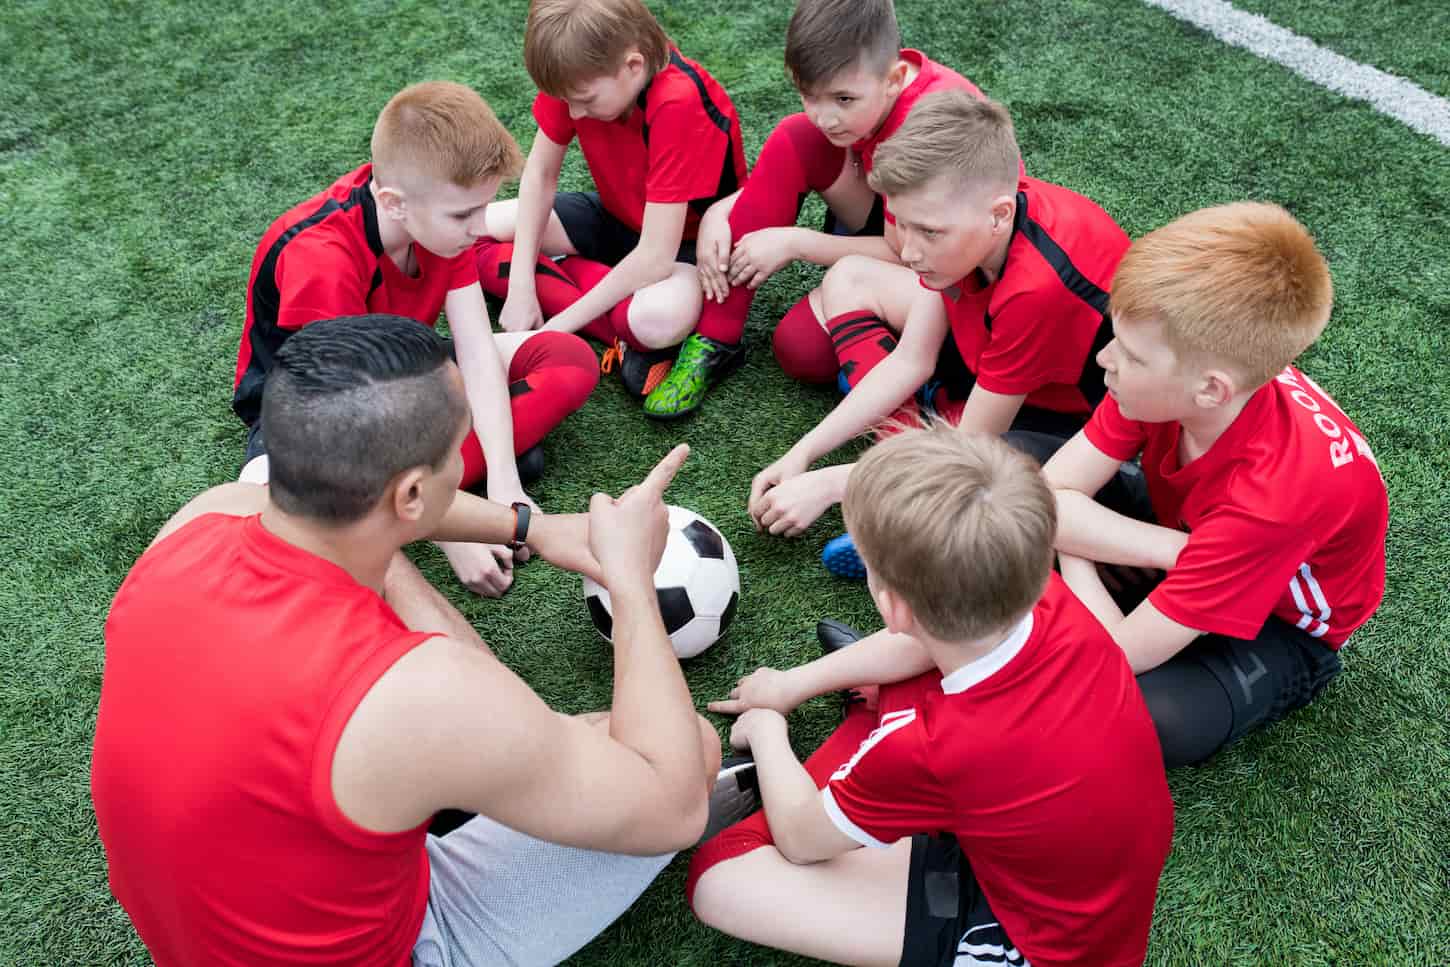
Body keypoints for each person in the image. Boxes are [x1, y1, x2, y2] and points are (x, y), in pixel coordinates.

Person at [94, 315, 740, 967]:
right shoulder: (417, 694)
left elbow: (385, 521)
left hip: (217, 921)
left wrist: (530, 528)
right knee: (691, 750)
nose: (463, 464)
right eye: (454, 454)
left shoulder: (205, 515)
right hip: (405, 940)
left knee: (383, 563)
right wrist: (630, 578)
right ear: (409, 493)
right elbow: (674, 804)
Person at [691, 425, 1173, 967]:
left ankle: (857, 743)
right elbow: (924, 643)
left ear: (891, 606)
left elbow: (802, 839)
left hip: (1043, 942)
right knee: (917, 674)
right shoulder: (1054, 603)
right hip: (1083, 867)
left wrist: (767, 728)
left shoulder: (931, 748)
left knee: (720, 876)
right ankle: (868, 731)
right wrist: (792, 684)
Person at [1030, 202, 1389, 767]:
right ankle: (1146, 565)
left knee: (1143, 717)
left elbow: (1119, 654)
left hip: (1280, 623)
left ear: (1211, 391)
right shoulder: (1176, 379)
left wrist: (1069, 544)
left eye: (1131, 355)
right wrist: (1176, 552)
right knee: (1010, 466)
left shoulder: (1276, 498)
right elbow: (1047, 493)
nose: (1105, 358)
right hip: (1192, 533)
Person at [233, 80, 599, 596]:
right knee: (284, 533)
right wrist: (449, 533)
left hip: (404, 377)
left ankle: (455, 477)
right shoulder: (322, 260)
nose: (481, 228)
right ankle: (437, 491)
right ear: (393, 202)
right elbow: (351, 420)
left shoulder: (439, 225)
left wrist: (503, 480)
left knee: (569, 360)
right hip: (314, 416)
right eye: (463, 215)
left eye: (483, 208)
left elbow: (474, 347)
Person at [747, 90, 1127, 579]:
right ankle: (914, 444)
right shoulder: (967, 232)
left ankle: (919, 505)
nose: (907, 250)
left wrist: (836, 484)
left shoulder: (1036, 288)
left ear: (998, 216)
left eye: (927, 232)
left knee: (991, 481)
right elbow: (910, 360)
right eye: (901, 225)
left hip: (1060, 416)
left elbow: (970, 445)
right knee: (850, 276)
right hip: (990, 359)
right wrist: (801, 452)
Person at [653, 0, 1000, 418]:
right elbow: (801, 151)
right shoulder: (870, 98)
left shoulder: (926, 124)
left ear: (892, 80)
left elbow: (905, 252)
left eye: (843, 99)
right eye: (809, 95)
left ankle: (933, 389)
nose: (825, 116)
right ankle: (715, 336)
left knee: (805, 348)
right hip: (894, 228)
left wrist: (796, 242)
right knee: (796, 136)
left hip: (957, 276)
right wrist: (720, 213)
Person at [474, 0, 748, 413]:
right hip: (618, 218)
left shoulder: (677, 101)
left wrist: (548, 333)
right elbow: (541, 175)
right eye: (565, 99)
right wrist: (520, 290)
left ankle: (574, 290)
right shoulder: (573, 76)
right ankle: (604, 317)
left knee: (654, 320)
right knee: (474, 228)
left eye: (584, 99)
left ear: (633, 66)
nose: (573, 112)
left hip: (685, 250)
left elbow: (656, 255)